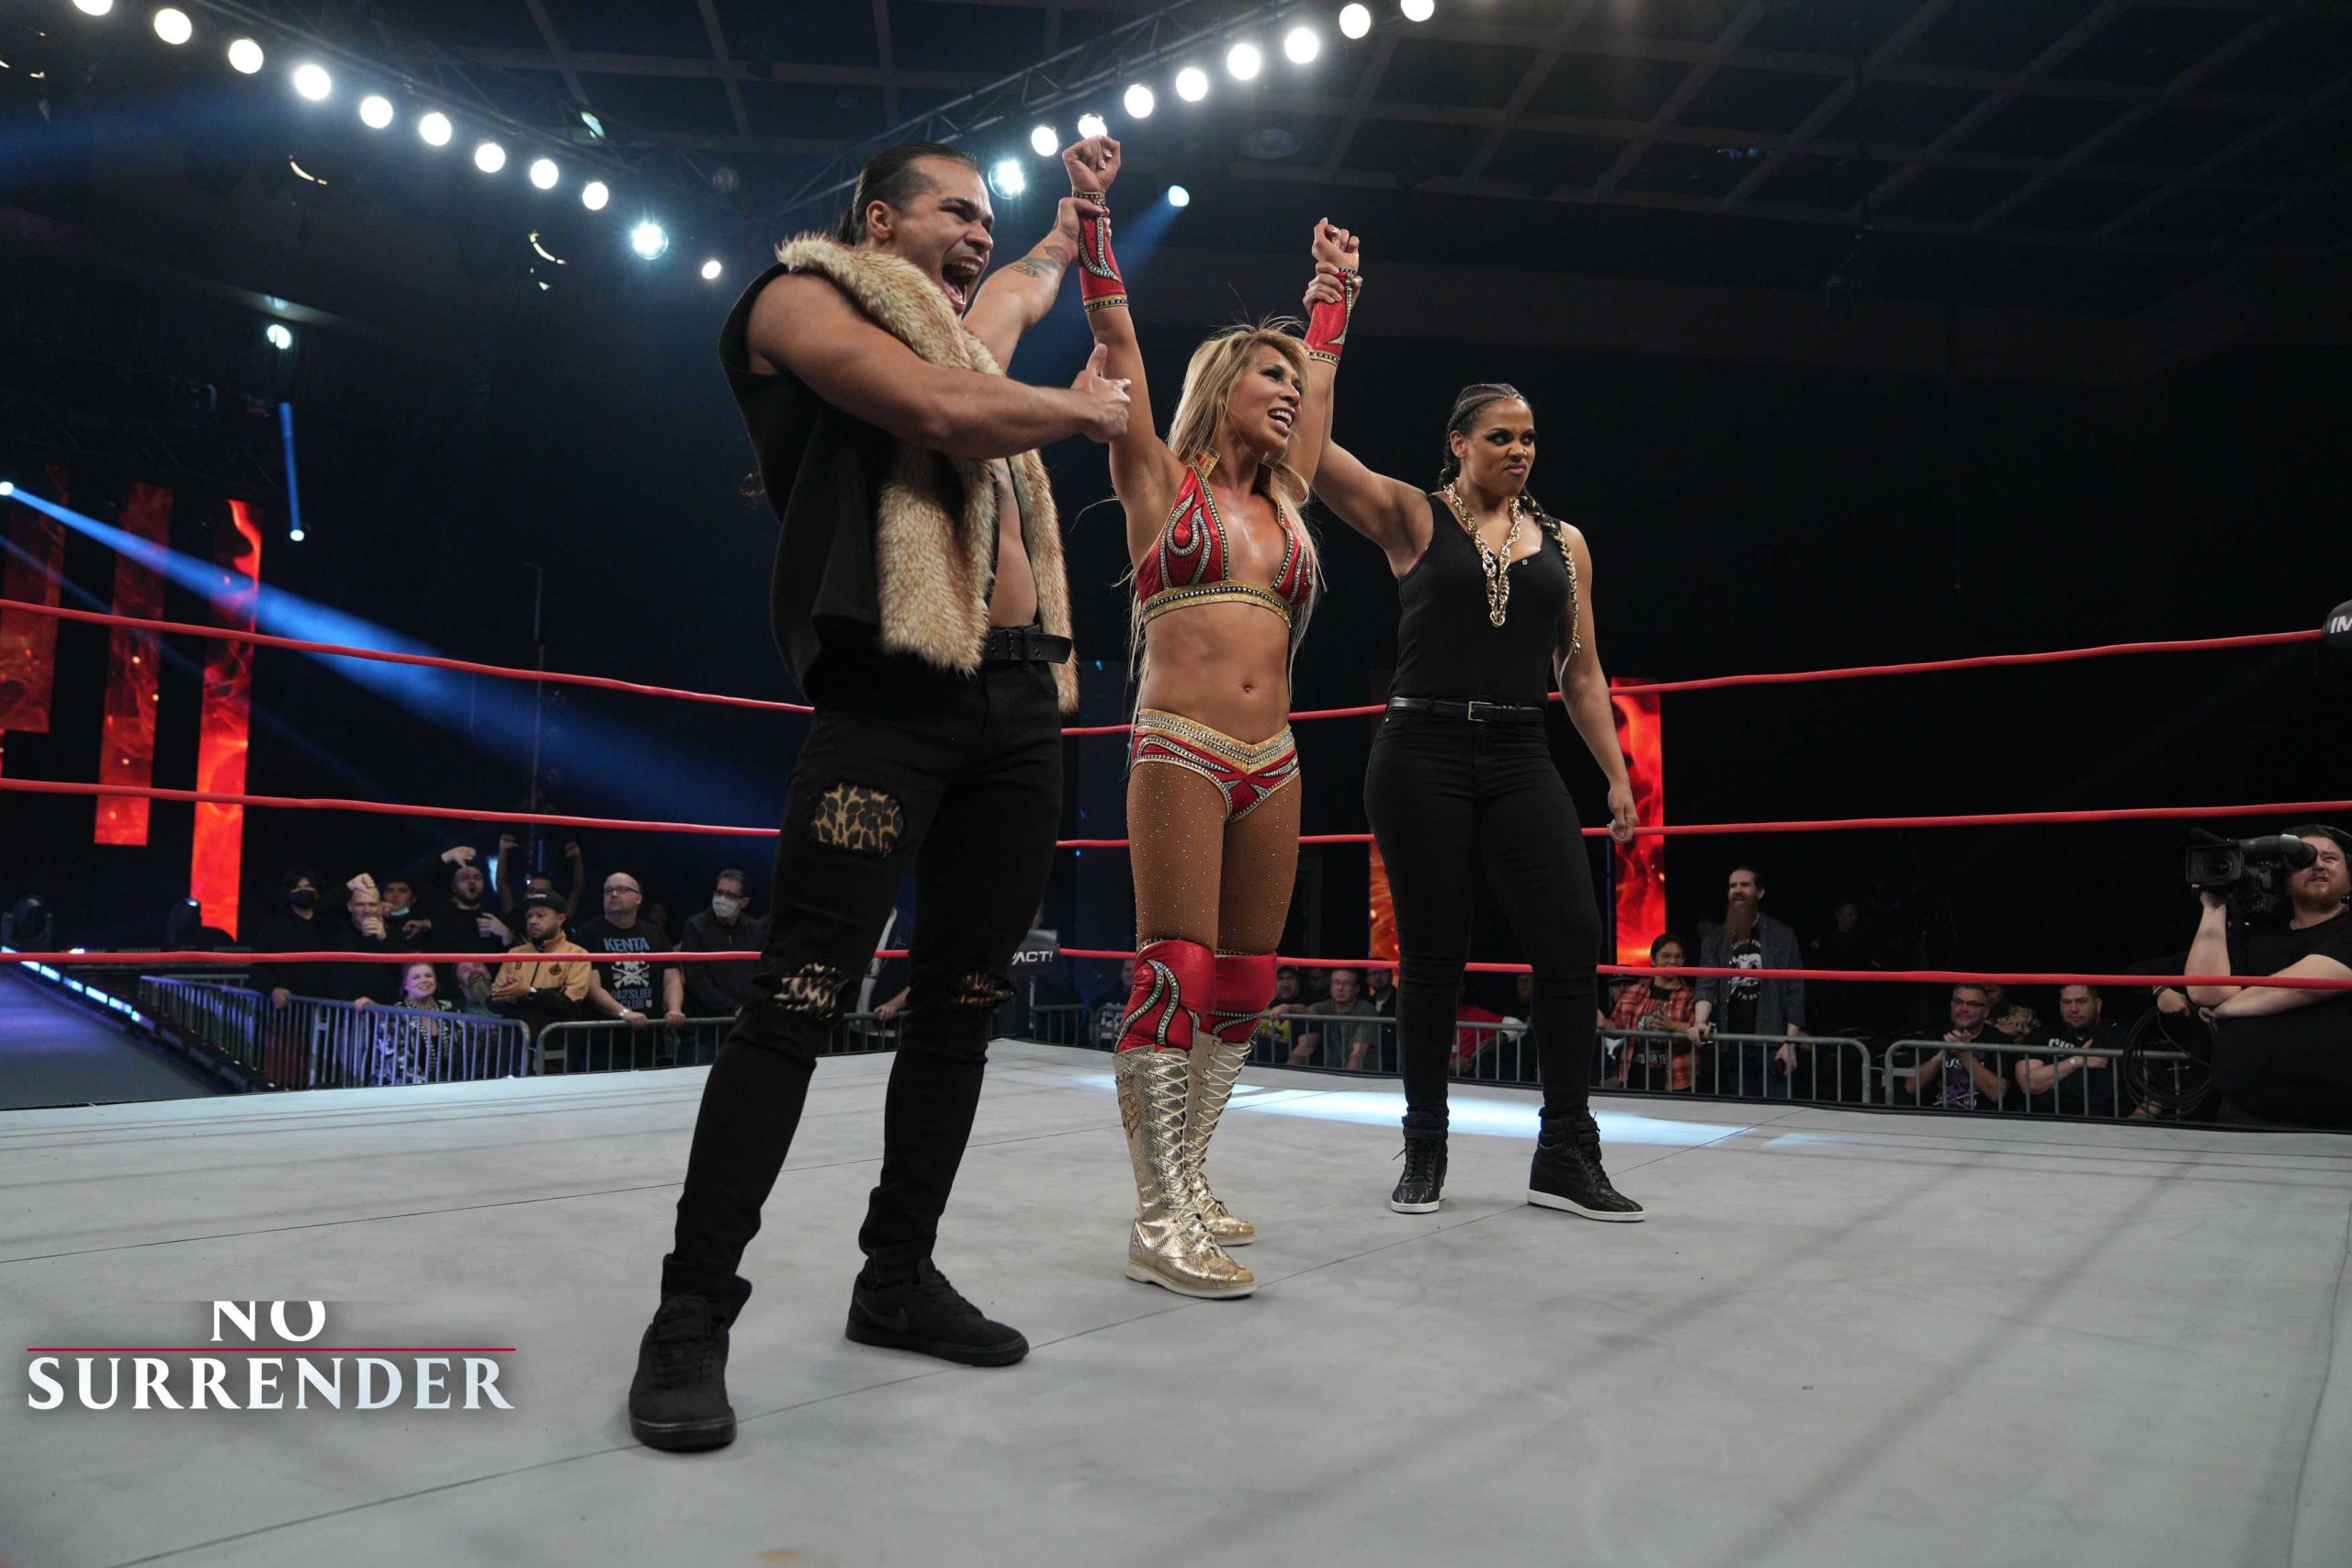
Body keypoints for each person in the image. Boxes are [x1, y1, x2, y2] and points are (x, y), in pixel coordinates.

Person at [630, 138, 1133, 1453]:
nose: (980, 231)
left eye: (988, 216)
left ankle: (896, 1277)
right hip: (891, 698)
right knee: (797, 998)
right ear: (875, 221)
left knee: (963, 1003)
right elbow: (936, 412)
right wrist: (1082, 411)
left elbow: (1018, 292)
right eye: (955, 210)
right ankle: (689, 1314)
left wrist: (1072, 224)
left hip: (1021, 705)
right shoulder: (796, 302)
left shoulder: (968, 333)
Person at [1080, 133, 1346, 1299]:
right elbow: (1118, 342)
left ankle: (1189, 1176)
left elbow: (1323, 387)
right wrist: (1096, 217)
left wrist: (1331, 295)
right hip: (1180, 747)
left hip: (1273, 757)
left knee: (1244, 983)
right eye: (1269, 378)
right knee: (1173, 973)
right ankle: (1154, 1219)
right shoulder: (1158, 481)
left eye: (1294, 382)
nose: (1288, 394)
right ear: (1223, 386)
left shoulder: (1289, 506)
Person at [1308, 363, 1644, 1222]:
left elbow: (1581, 672)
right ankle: (1425, 1144)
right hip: (1421, 748)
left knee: (1571, 935)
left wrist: (1616, 774)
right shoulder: (1414, 516)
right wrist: (1327, 330)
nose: (1519, 450)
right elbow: (1311, 453)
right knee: (1432, 953)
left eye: (1529, 437)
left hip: (1521, 747)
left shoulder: (1565, 544)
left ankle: (1565, 1149)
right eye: (1501, 436)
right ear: (1459, 444)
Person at [2187, 824, 2352, 1127]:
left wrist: (2226, 1008)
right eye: (2304, 858)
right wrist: (2213, 905)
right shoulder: (2256, 932)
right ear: (2282, 876)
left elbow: (2312, 980)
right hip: (2245, 1113)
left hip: (2336, 1120)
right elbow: (2204, 992)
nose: (2318, 865)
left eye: (2330, 858)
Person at [1687, 866, 1808, 1097]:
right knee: (1741, 1112)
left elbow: (1795, 991)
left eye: (1745, 885)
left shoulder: (1782, 936)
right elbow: (1706, 984)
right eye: (1733, 886)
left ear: (1760, 892)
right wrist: (1700, 1021)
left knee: (1776, 1111)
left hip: (1772, 1043)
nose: (1738, 890)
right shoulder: (1716, 939)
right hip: (1733, 1043)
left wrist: (1790, 1043)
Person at [576, 871, 689, 1032]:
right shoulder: (587, 934)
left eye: (622, 889)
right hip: (605, 1034)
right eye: (608, 890)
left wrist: (674, 1009)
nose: (614, 894)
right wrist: (624, 1013)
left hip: (650, 1031)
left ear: (638, 898)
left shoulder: (654, 933)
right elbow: (592, 987)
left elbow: (672, 978)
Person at [489, 889, 591, 1039]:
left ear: (560, 919)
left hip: (556, 1043)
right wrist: (514, 996)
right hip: (514, 1043)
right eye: (529, 916)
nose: (532, 921)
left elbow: (569, 1004)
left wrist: (529, 992)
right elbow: (493, 1001)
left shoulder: (577, 954)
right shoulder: (515, 953)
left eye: (541, 915)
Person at [2014, 985, 2128, 1117]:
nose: (2073, 1009)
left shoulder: (2117, 1034)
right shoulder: (2043, 1034)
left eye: (2081, 1001)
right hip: (2046, 1117)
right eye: (2067, 1002)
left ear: (2098, 1004)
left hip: (2102, 1120)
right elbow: (2028, 1083)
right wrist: (2075, 1062)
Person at [1610, 933, 1701, 1091]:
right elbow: (1616, 1026)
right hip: (1635, 1079)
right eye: (1666, 956)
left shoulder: (1691, 996)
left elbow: (1700, 1030)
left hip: (1677, 1081)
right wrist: (1600, 1022)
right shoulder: (1634, 991)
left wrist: (1672, 1025)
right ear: (1653, 960)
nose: (1672, 961)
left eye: (1678, 957)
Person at [1911, 984, 2018, 1111]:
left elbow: (1997, 1094)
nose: (1963, 1008)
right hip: (1934, 1116)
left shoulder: (2000, 1041)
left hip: (1982, 1118)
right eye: (1958, 1002)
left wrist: (1964, 1055)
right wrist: (1941, 1055)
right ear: (1951, 1005)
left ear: (1986, 1011)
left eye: (1972, 1004)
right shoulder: (1933, 1036)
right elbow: (1911, 1086)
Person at [677, 869, 767, 1017]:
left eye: (730, 895)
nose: (722, 898)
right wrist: (732, 1008)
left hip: (747, 1015)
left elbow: (762, 971)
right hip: (706, 1019)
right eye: (719, 892)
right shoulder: (695, 926)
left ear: (744, 902)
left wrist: (750, 1006)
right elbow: (696, 978)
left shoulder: (754, 928)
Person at [1293, 967, 1384, 1071]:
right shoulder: (1325, 1006)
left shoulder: (1366, 1010)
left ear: (1356, 989)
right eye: (1336, 983)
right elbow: (1305, 1010)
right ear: (1331, 987)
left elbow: (1357, 1054)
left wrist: (1347, 1078)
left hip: (1362, 1076)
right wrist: (1285, 1008)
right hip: (1332, 1074)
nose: (1340, 988)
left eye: (1346, 983)